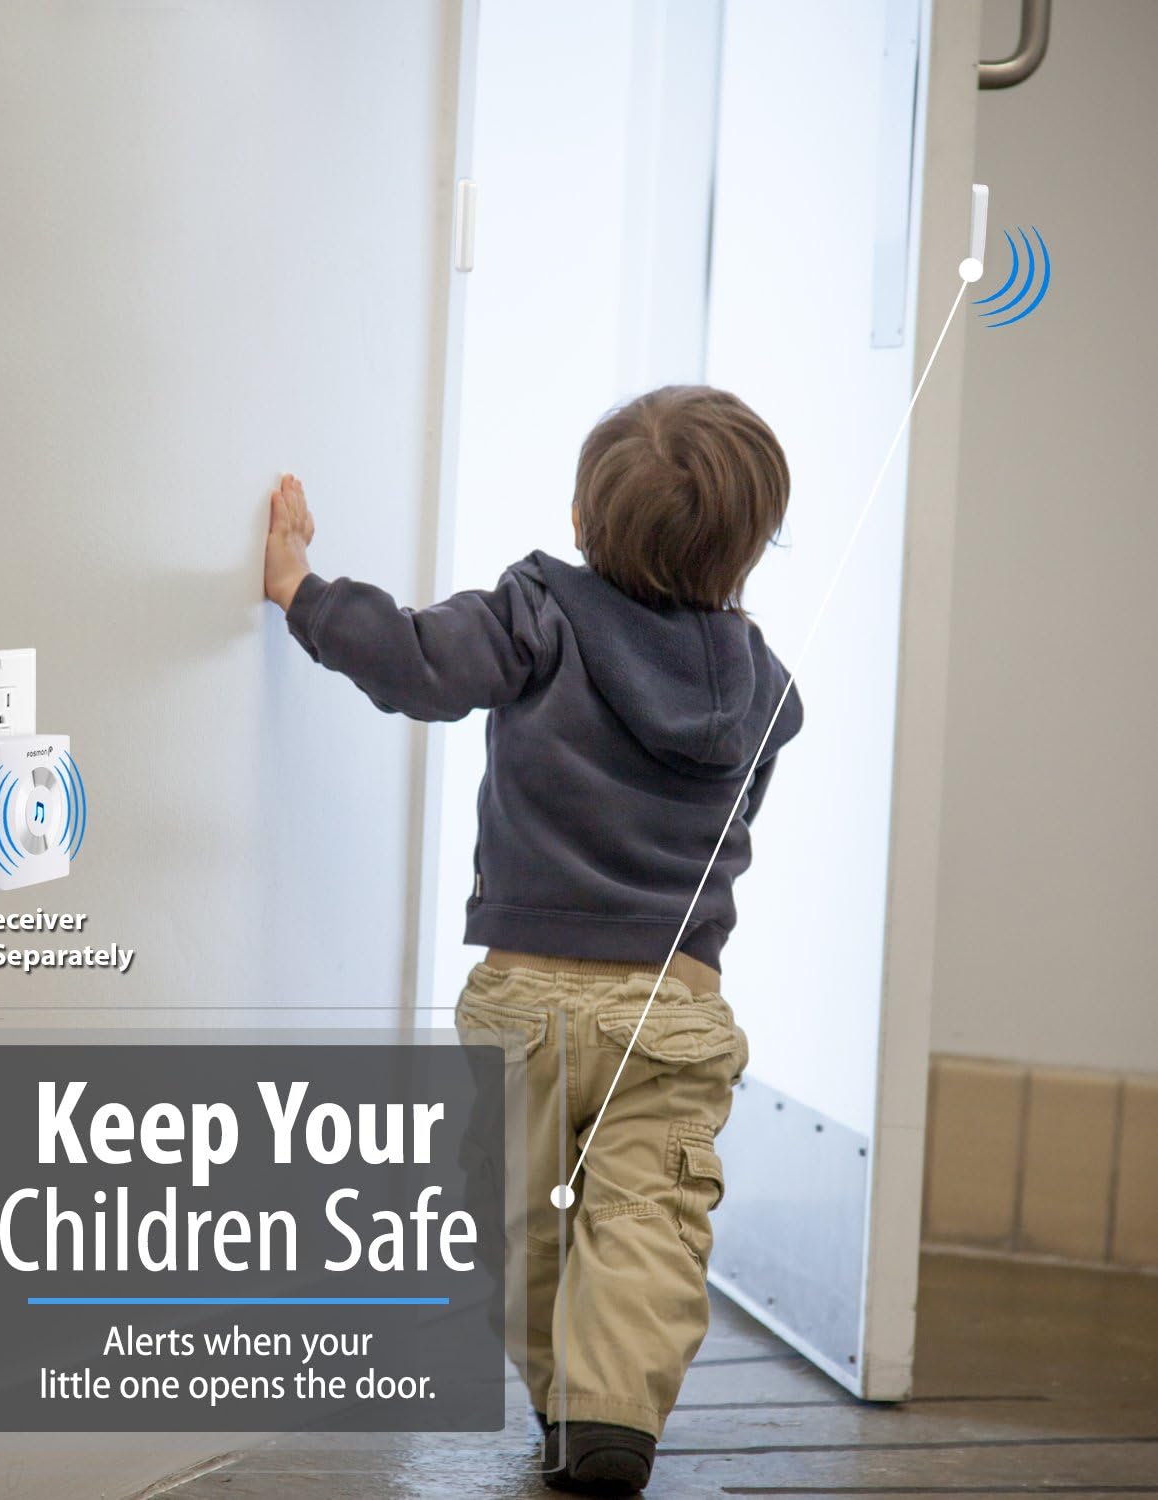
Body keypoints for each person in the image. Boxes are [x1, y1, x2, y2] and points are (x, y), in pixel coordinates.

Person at [264, 385, 803, 1496]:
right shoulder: (763, 688)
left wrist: (302, 595)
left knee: (519, 1219)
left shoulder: (536, 611)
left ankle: (570, 1407)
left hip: (520, 995)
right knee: (645, 1210)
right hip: (671, 1004)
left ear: (580, 512)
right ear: (751, 546)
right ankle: (604, 1417)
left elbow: (418, 662)